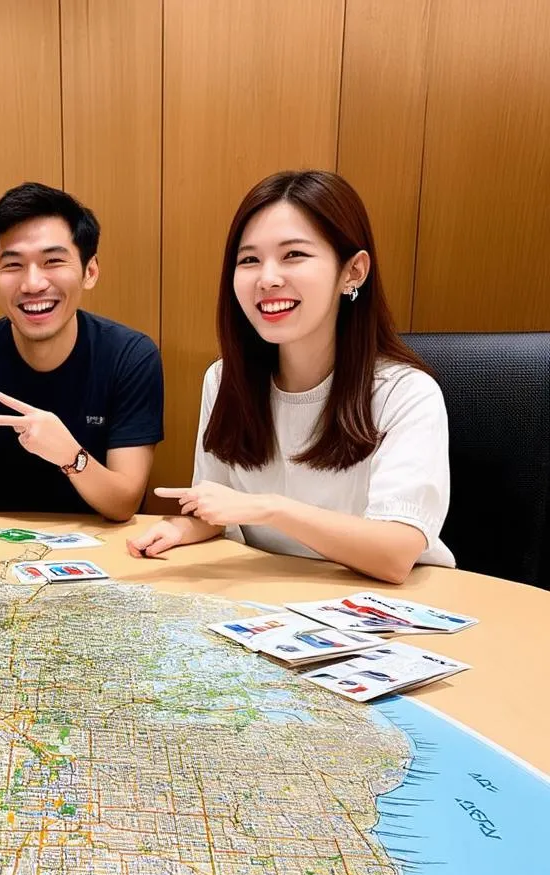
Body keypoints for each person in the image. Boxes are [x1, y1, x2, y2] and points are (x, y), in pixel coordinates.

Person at [129, 169, 454, 583]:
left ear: (353, 272)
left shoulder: (405, 393)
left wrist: (270, 508)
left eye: (293, 255)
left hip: (386, 610)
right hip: (269, 601)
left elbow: (395, 554)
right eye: (249, 260)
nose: (267, 278)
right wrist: (182, 528)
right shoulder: (225, 379)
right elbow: (219, 508)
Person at [0, 182, 164, 521]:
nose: (33, 284)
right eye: (13, 265)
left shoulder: (129, 356)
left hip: (105, 547)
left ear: (89, 272)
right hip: (0, 547)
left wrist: (69, 455)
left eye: (53, 261)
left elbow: (124, 503)